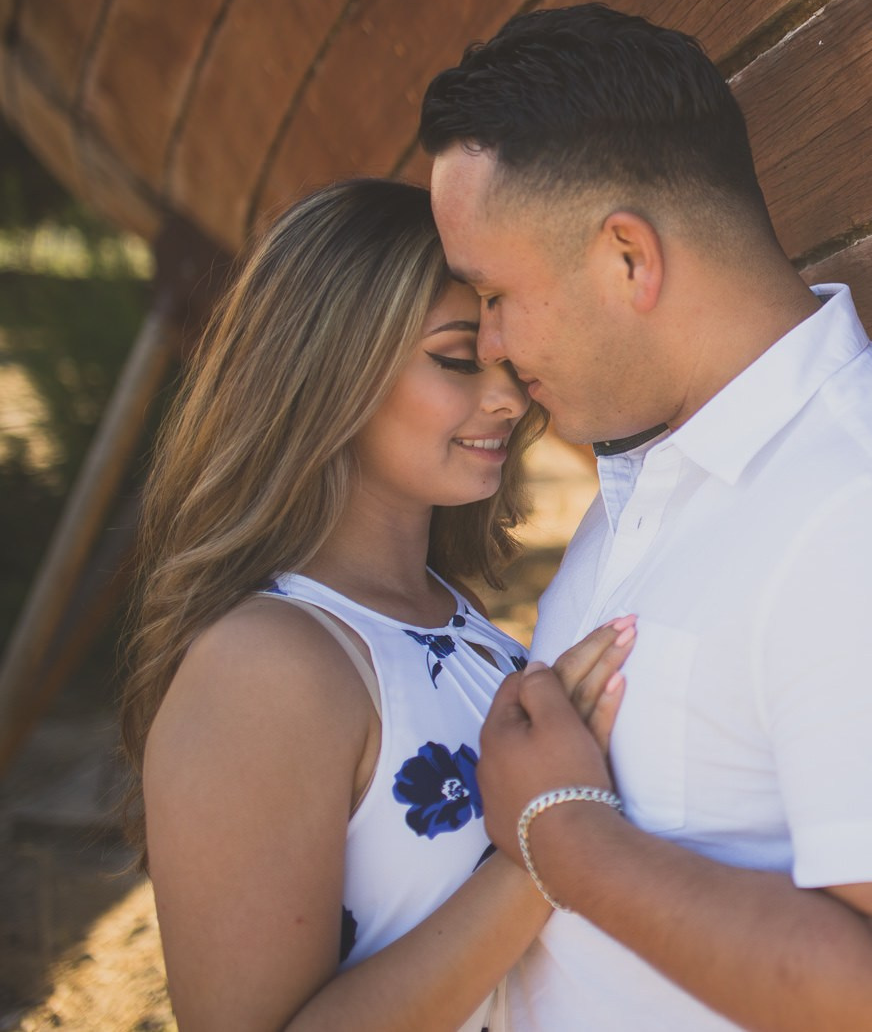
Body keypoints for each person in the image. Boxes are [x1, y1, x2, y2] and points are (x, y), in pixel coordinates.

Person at [420, 3, 872, 1031]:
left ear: (627, 259)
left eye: (493, 293)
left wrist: (563, 836)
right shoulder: (645, 487)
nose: (489, 342)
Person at [122, 178, 636, 1031]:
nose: (509, 398)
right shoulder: (266, 666)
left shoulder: (447, 615)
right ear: (330, 367)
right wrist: (545, 848)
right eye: (457, 358)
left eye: (506, 358)